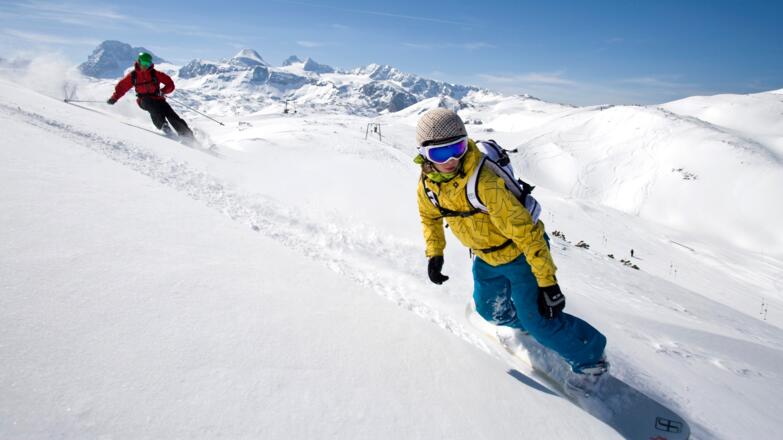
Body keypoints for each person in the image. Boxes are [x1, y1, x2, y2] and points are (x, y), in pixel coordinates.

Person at [414, 108, 608, 385]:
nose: (453, 159)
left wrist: (547, 283)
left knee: (540, 320)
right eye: (441, 154)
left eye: (457, 148)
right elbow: (429, 217)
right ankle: (528, 324)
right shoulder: (428, 187)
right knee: (488, 311)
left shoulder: (485, 183)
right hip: (485, 258)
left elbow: (527, 233)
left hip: (522, 256)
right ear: (425, 155)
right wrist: (435, 253)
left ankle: (592, 358)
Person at [107, 52, 194, 139]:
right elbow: (121, 87)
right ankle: (164, 126)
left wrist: (163, 91)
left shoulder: (155, 74)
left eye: (147, 64)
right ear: (139, 62)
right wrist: (114, 98)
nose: (145, 66)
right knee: (152, 107)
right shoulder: (133, 76)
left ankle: (187, 135)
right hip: (143, 100)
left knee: (171, 114)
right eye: (144, 63)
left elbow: (170, 84)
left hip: (158, 99)